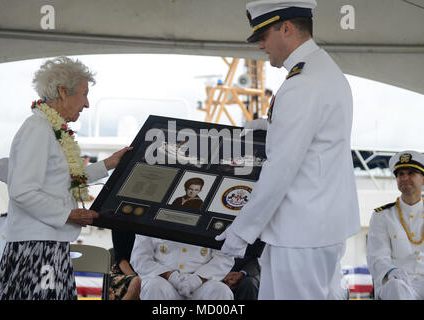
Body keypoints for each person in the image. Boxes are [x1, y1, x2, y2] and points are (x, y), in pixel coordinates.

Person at [216, 0, 360, 299]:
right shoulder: (325, 69)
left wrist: (243, 231)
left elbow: (281, 168)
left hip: (299, 233)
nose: (260, 46)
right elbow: (319, 138)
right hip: (322, 226)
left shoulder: (301, 83)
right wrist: (273, 130)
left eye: (263, 36)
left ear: (287, 27)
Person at [0, 56, 133, 300]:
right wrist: (68, 214)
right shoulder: (38, 129)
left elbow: (65, 178)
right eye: (84, 94)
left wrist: (109, 163)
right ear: (63, 92)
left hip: (48, 246)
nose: (86, 104)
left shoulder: (50, 129)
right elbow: (22, 191)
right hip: (36, 249)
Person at [367, 150, 424, 300]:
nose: (405, 178)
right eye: (400, 174)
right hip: (398, 283)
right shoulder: (382, 216)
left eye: (411, 173)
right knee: (395, 288)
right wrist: (391, 271)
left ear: (423, 180)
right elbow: (377, 257)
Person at [130, 235, 234, 300]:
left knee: (220, 291)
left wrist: (198, 278)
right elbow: (140, 258)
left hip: (202, 284)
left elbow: (225, 257)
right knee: (154, 287)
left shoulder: (214, 212)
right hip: (164, 280)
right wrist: (169, 276)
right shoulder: (151, 214)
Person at [109, 228, 141, 300]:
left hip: (147, 272)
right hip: (123, 272)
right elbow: (121, 261)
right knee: (137, 282)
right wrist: (135, 276)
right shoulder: (120, 223)